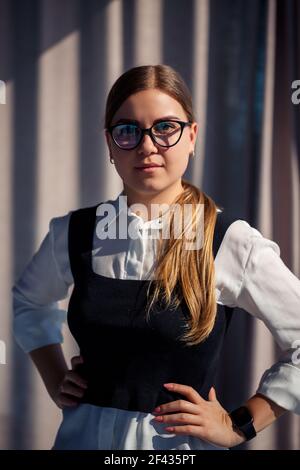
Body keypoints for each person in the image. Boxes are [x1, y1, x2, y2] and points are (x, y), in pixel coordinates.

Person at [12, 64, 300, 451]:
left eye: (165, 128)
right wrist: (54, 377)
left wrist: (240, 425)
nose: (147, 145)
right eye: (128, 130)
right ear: (111, 145)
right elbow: (28, 303)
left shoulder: (229, 241)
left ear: (192, 136)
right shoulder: (74, 233)